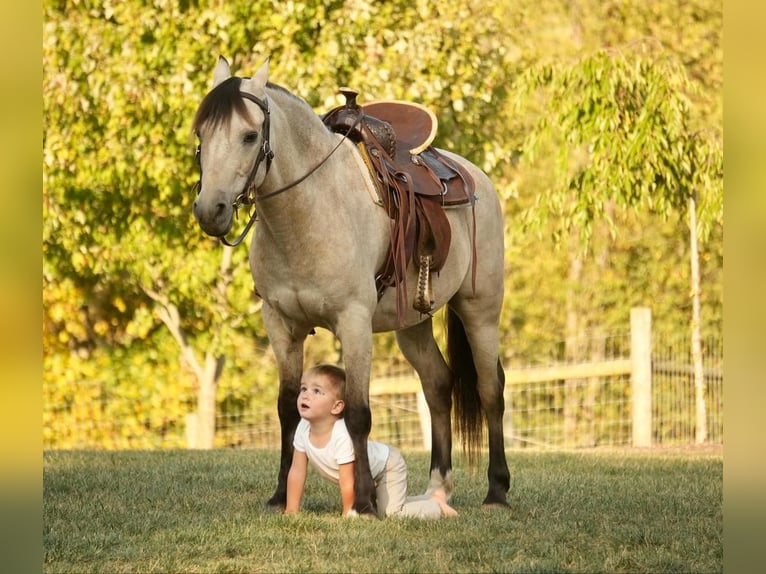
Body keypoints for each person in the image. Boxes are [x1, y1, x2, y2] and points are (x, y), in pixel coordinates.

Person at [285, 364, 458, 519]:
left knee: (391, 514)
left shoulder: (341, 435)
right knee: (385, 504)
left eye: (316, 391)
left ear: (337, 406)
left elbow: (348, 479)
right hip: (374, 471)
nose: (306, 396)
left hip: (388, 466)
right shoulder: (303, 427)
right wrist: (292, 510)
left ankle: (437, 507)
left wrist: (349, 512)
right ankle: (431, 497)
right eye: (303, 389)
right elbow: (297, 471)